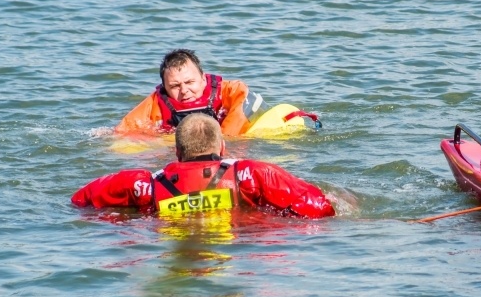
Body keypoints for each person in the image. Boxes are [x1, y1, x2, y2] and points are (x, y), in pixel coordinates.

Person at [73, 114, 336, 218]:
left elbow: (80, 200)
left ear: (177, 152)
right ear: (222, 148)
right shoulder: (251, 174)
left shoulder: (144, 185)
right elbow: (318, 209)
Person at [114, 49, 266, 136]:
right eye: (175, 86)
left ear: (203, 78)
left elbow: (242, 111)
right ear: (165, 87)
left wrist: (221, 140)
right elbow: (123, 132)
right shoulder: (156, 103)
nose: (184, 91)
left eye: (189, 82)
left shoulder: (230, 91)